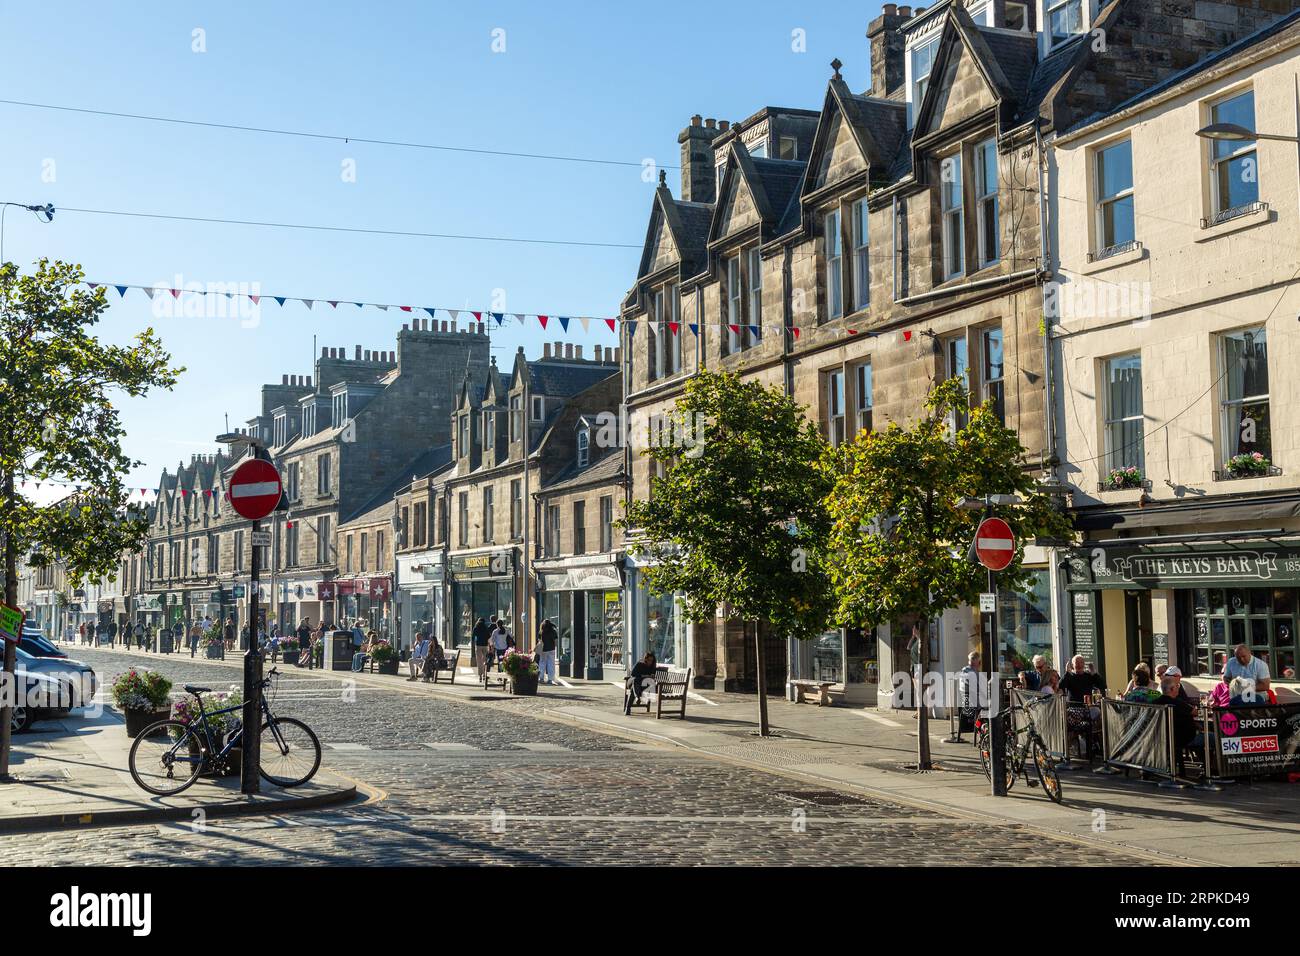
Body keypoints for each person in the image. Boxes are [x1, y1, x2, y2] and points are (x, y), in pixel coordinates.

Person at [1154, 675, 1202, 761]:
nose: (1178, 688)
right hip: (1184, 738)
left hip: (1162, 738)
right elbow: (1195, 712)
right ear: (1172, 689)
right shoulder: (1178, 702)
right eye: (1177, 686)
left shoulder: (1155, 703)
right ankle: (1210, 768)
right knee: (1213, 739)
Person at [537, 618, 559, 685]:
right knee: (551, 664)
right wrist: (555, 647)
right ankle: (550, 679)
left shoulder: (541, 631)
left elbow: (539, 640)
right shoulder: (553, 631)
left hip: (543, 649)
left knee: (542, 663)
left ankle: (541, 678)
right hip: (551, 649)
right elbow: (556, 641)